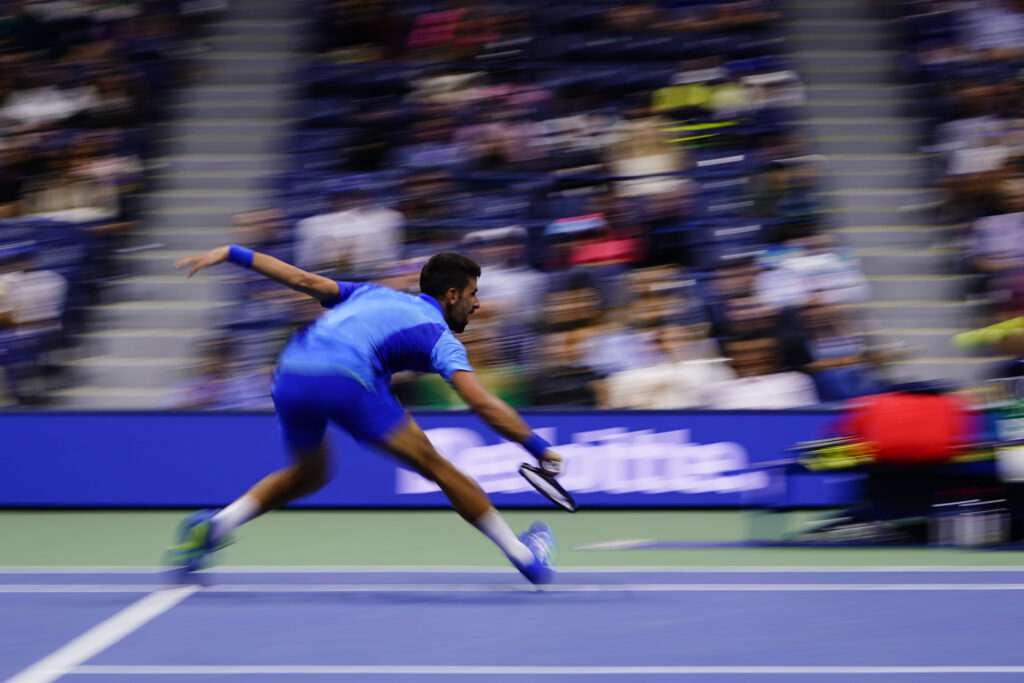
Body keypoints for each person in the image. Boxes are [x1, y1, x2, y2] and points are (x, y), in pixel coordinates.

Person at [165, 245, 561, 584]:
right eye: (473, 294)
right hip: (346, 378)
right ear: (451, 294)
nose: (477, 304)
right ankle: (526, 559)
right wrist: (538, 446)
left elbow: (302, 280)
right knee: (440, 469)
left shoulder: (372, 292)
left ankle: (213, 527)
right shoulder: (439, 337)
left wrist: (234, 253)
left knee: (308, 474)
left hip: (290, 372)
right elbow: (482, 403)